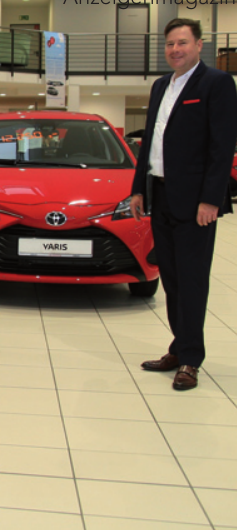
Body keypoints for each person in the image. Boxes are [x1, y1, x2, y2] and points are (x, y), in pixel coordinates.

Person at [131, 18, 237, 391]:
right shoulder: (162, 85)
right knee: (172, 281)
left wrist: (211, 198)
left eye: (183, 42)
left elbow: (222, 147)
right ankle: (178, 347)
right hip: (159, 196)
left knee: (192, 282)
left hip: (195, 204)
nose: (175, 49)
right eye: (170, 44)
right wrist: (138, 188)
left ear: (199, 45)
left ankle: (191, 359)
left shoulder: (217, 83)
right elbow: (150, 143)